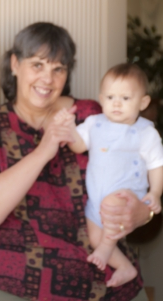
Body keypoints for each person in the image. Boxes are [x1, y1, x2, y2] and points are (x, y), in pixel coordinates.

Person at [0, 22, 152, 301]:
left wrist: (145, 212)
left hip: (102, 279)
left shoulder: (95, 117)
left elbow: (145, 170)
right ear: (15, 64)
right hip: (11, 280)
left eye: (58, 68)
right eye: (37, 65)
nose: (47, 79)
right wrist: (43, 150)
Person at [54, 63, 163, 287]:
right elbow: (78, 145)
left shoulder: (145, 133)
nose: (116, 103)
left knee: (110, 214)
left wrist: (156, 192)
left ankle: (106, 248)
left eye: (125, 98)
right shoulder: (94, 123)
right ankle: (125, 266)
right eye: (111, 97)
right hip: (96, 199)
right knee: (95, 237)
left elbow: (157, 164)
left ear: (143, 102)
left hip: (126, 194)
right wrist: (69, 129)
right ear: (101, 98)